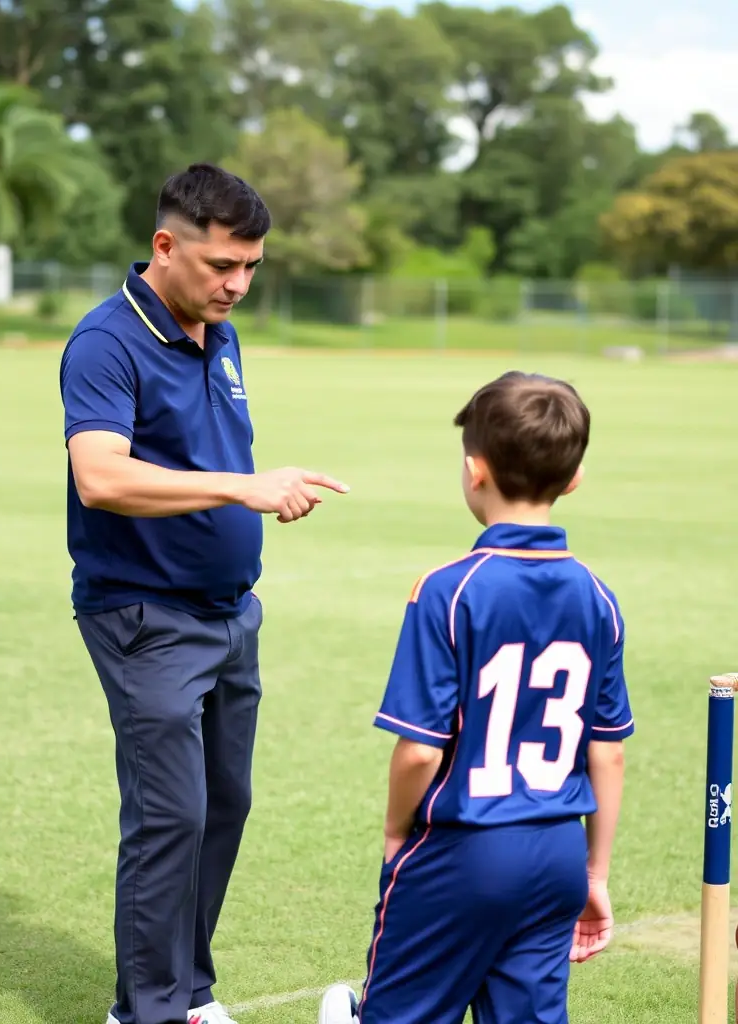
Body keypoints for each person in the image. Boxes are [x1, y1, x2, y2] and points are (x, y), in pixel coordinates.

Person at [59, 162, 349, 1024]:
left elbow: (199, 460)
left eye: (253, 267)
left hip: (230, 614)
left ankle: (187, 993)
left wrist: (257, 495)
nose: (240, 284)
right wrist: (243, 488)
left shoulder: (217, 332)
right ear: (165, 245)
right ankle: (145, 1011)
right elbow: (100, 478)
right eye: (224, 265)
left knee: (225, 804)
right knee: (170, 816)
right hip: (144, 615)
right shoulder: (106, 341)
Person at [319, 371, 633, 1024]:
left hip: (461, 851)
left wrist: (393, 832)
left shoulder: (449, 590)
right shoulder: (599, 598)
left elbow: (418, 752)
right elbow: (608, 755)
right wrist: (594, 875)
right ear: (574, 479)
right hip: (557, 855)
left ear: (474, 471)